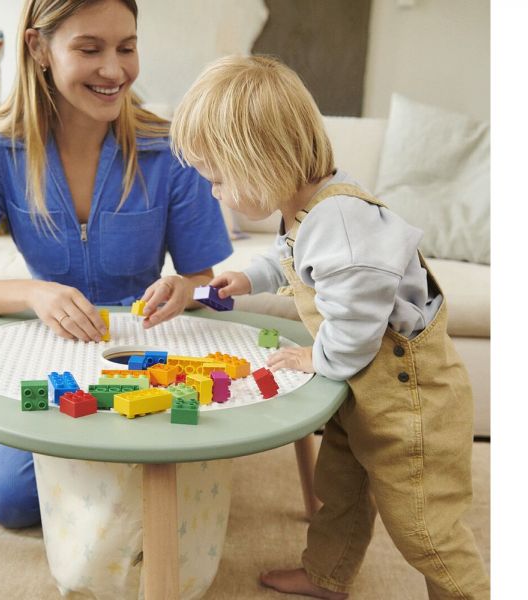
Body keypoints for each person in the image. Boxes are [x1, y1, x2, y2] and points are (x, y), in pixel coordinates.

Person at [170, 55, 490, 599]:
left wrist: (315, 359)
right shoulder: (305, 209)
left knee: (423, 527)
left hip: (411, 408)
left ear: (261, 161)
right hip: (363, 396)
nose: (215, 193)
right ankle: (327, 574)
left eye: (219, 179)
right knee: (340, 489)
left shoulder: (344, 225)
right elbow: (291, 260)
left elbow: (358, 327)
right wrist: (245, 280)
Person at [0, 0, 232, 529]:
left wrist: (184, 287)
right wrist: (33, 294)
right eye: (90, 49)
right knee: (9, 502)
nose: (115, 70)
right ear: (39, 48)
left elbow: (209, 282)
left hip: (147, 347)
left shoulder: (169, 147)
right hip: (49, 346)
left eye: (127, 48)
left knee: (166, 486)